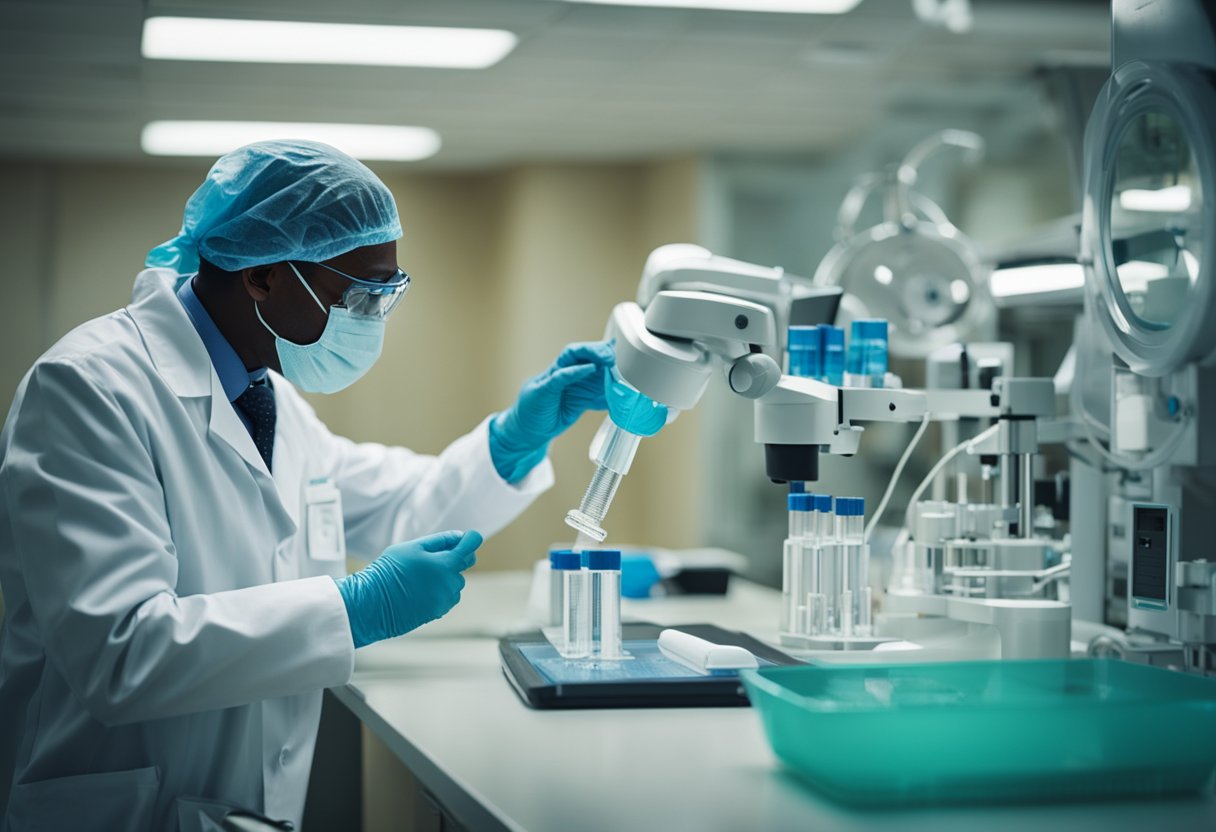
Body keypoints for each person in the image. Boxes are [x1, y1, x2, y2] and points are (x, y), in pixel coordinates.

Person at [0, 140, 615, 831]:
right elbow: (121, 652)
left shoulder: (269, 398)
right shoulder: (89, 389)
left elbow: (402, 506)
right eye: (359, 293)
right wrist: (354, 609)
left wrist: (515, 438)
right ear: (262, 276)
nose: (372, 317)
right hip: (123, 809)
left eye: (388, 293)